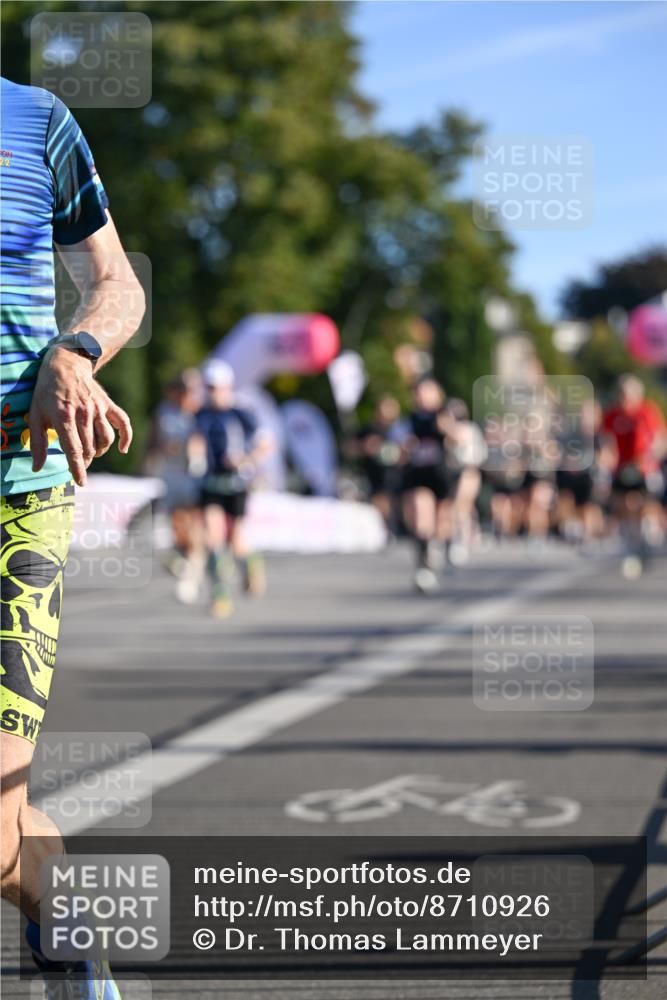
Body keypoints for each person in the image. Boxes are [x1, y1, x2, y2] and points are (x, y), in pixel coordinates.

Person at [1, 78, 144, 997]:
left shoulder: (35, 118)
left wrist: (73, 352)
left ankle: (65, 925)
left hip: (17, 485)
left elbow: (115, 284)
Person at [190, 360, 273, 618]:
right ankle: (220, 595)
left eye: (217, 388)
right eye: (209, 387)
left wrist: (247, 459)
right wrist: (192, 458)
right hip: (210, 481)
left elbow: (266, 443)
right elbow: (195, 439)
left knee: (236, 542)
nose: (213, 392)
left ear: (228, 387)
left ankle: (251, 563)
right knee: (212, 538)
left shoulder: (242, 413)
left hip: (237, 482)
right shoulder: (200, 413)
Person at [400, 377, 463, 592]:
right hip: (419, 474)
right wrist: (405, 448)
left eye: (427, 392)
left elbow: (458, 440)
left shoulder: (443, 415)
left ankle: (443, 548)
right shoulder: (409, 420)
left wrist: (447, 429)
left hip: (441, 474)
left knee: (441, 521)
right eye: (419, 392)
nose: (422, 396)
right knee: (420, 516)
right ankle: (423, 566)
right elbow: (401, 449)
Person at [146, 369, 204, 602]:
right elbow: (155, 441)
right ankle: (186, 566)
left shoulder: (200, 414)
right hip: (172, 477)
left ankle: (192, 574)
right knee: (177, 527)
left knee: (194, 526)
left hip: (195, 478)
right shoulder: (164, 413)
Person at [603, 374, 667, 577]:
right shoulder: (612, 415)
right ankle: (632, 540)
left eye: (629, 394)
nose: (625, 399)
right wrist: (608, 459)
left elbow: (659, 439)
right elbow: (606, 441)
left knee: (645, 502)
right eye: (622, 394)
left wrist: (650, 457)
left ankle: (648, 534)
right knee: (623, 504)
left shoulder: (647, 412)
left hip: (644, 468)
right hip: (622, 468)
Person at [354, 396, 403, 537]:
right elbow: (350, 447)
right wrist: (364, 446)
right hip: (375, 473)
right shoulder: (370, 429)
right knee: (380, 499)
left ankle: (395, 527)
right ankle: (386, 527)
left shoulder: (399, 428)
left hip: (397, 473)